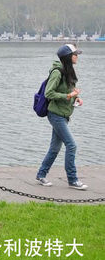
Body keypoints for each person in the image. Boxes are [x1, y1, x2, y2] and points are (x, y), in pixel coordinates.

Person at [36, 44, 87, 190]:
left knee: (55, 148)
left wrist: (76, 98)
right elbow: (49, 93)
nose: (77, 56)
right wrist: (68, 96)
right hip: (56, 115)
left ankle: (41, 175)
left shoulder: (68, 71)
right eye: (75, 54)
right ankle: (72, 180)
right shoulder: (57, 72)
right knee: (71, 145)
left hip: (64, 115)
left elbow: (69, 90)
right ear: (68, 57)